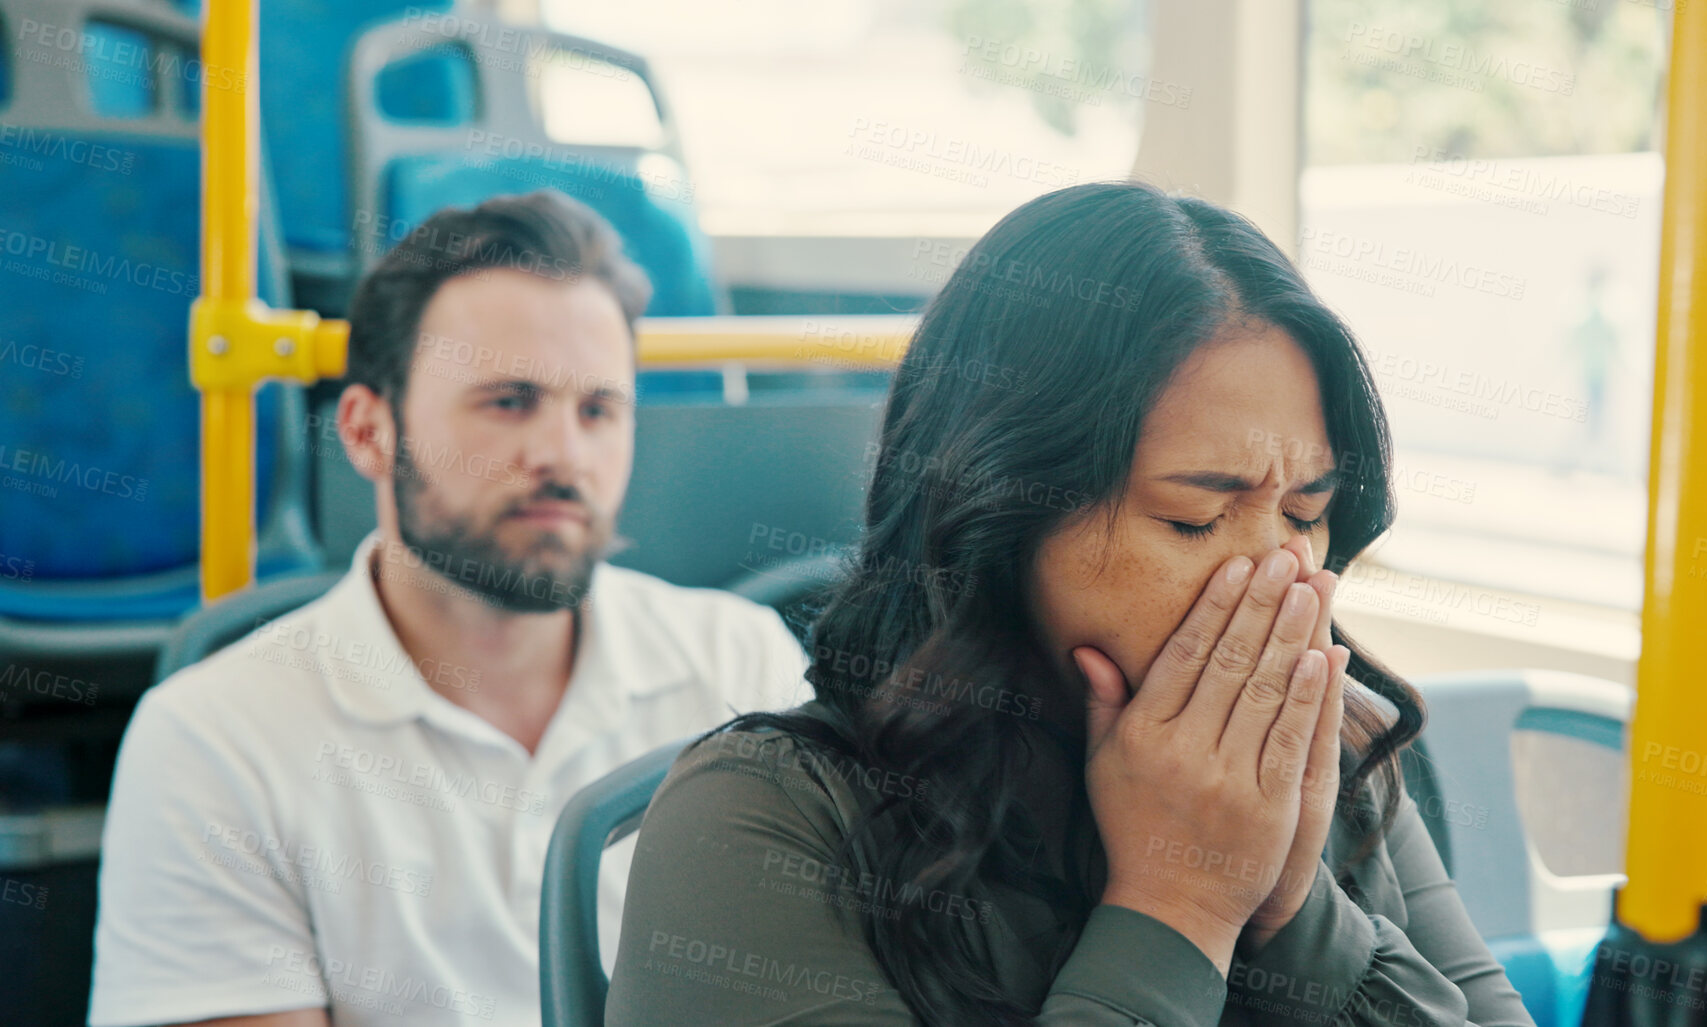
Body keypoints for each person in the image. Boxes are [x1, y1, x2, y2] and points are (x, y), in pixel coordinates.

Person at [606, 181, 1536, 1026]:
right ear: (999, 512)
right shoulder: (758, 820)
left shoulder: (1320, 759)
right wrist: (1179, 906)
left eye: (1305, 513)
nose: (1280, 577)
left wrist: (1293, 913)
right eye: (1194, 518)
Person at [88, 191, 810, 1027]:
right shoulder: (213, 741)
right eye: (508, 401)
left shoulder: (740, 667)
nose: (563, 456)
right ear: (366, 432)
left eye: (598, 410)